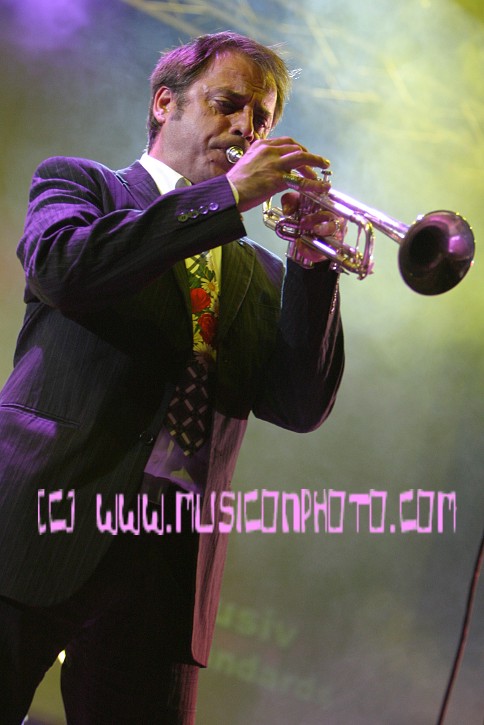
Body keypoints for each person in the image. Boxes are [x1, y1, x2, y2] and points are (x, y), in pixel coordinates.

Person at [0, 31, 344, 724]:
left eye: (262, 119)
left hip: (170, 561)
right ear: (165, 103)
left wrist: (313, 268)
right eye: (228, 104)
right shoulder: (83, 185)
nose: (246, 128)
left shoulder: (257, 271)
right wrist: (222, 198)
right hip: (40, 515)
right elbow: (67, 271)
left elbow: (299, 404)